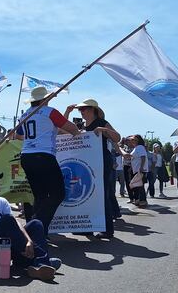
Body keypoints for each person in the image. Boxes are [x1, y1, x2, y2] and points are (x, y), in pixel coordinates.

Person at [0, 144, 60, 281]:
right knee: (7, 220)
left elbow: (16, 224)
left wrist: (29, 241)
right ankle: (40, 259)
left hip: (5, 250)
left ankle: (39, 265)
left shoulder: (2, 202)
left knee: (36, 224)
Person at [17, 87, 80, 235]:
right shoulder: (49, 111)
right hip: (44, 155)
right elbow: (73, 129)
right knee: (58, 194)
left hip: (26, 156)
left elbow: (19, 136)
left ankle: (39, 231)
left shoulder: (25, 114)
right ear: (45, 99)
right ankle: (35, 226)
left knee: (40, 196)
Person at [65, 99, 121, 237]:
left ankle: (107, 229)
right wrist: (67, 112)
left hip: (101, 161)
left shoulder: (101, 123)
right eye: (80, 109)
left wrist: (104, 130)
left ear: (92, 109)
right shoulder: (81, 125)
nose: (81, 112)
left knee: (101, 193)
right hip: (87, 162)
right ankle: (88, 226)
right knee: (87, 193)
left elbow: (117, 138)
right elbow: (62, 130)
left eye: (83, 109)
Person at [126, 135, 149, 208]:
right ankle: (139, 199)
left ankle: (143, 200)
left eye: (134, 140)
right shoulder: (136, 148)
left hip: (140, 169)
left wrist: (141, 167)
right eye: (132, 140)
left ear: (138, 141)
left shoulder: (140, 147)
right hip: (136, 169)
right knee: (137, 185)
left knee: (140, 185)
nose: (133, 141)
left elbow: (143, 157)